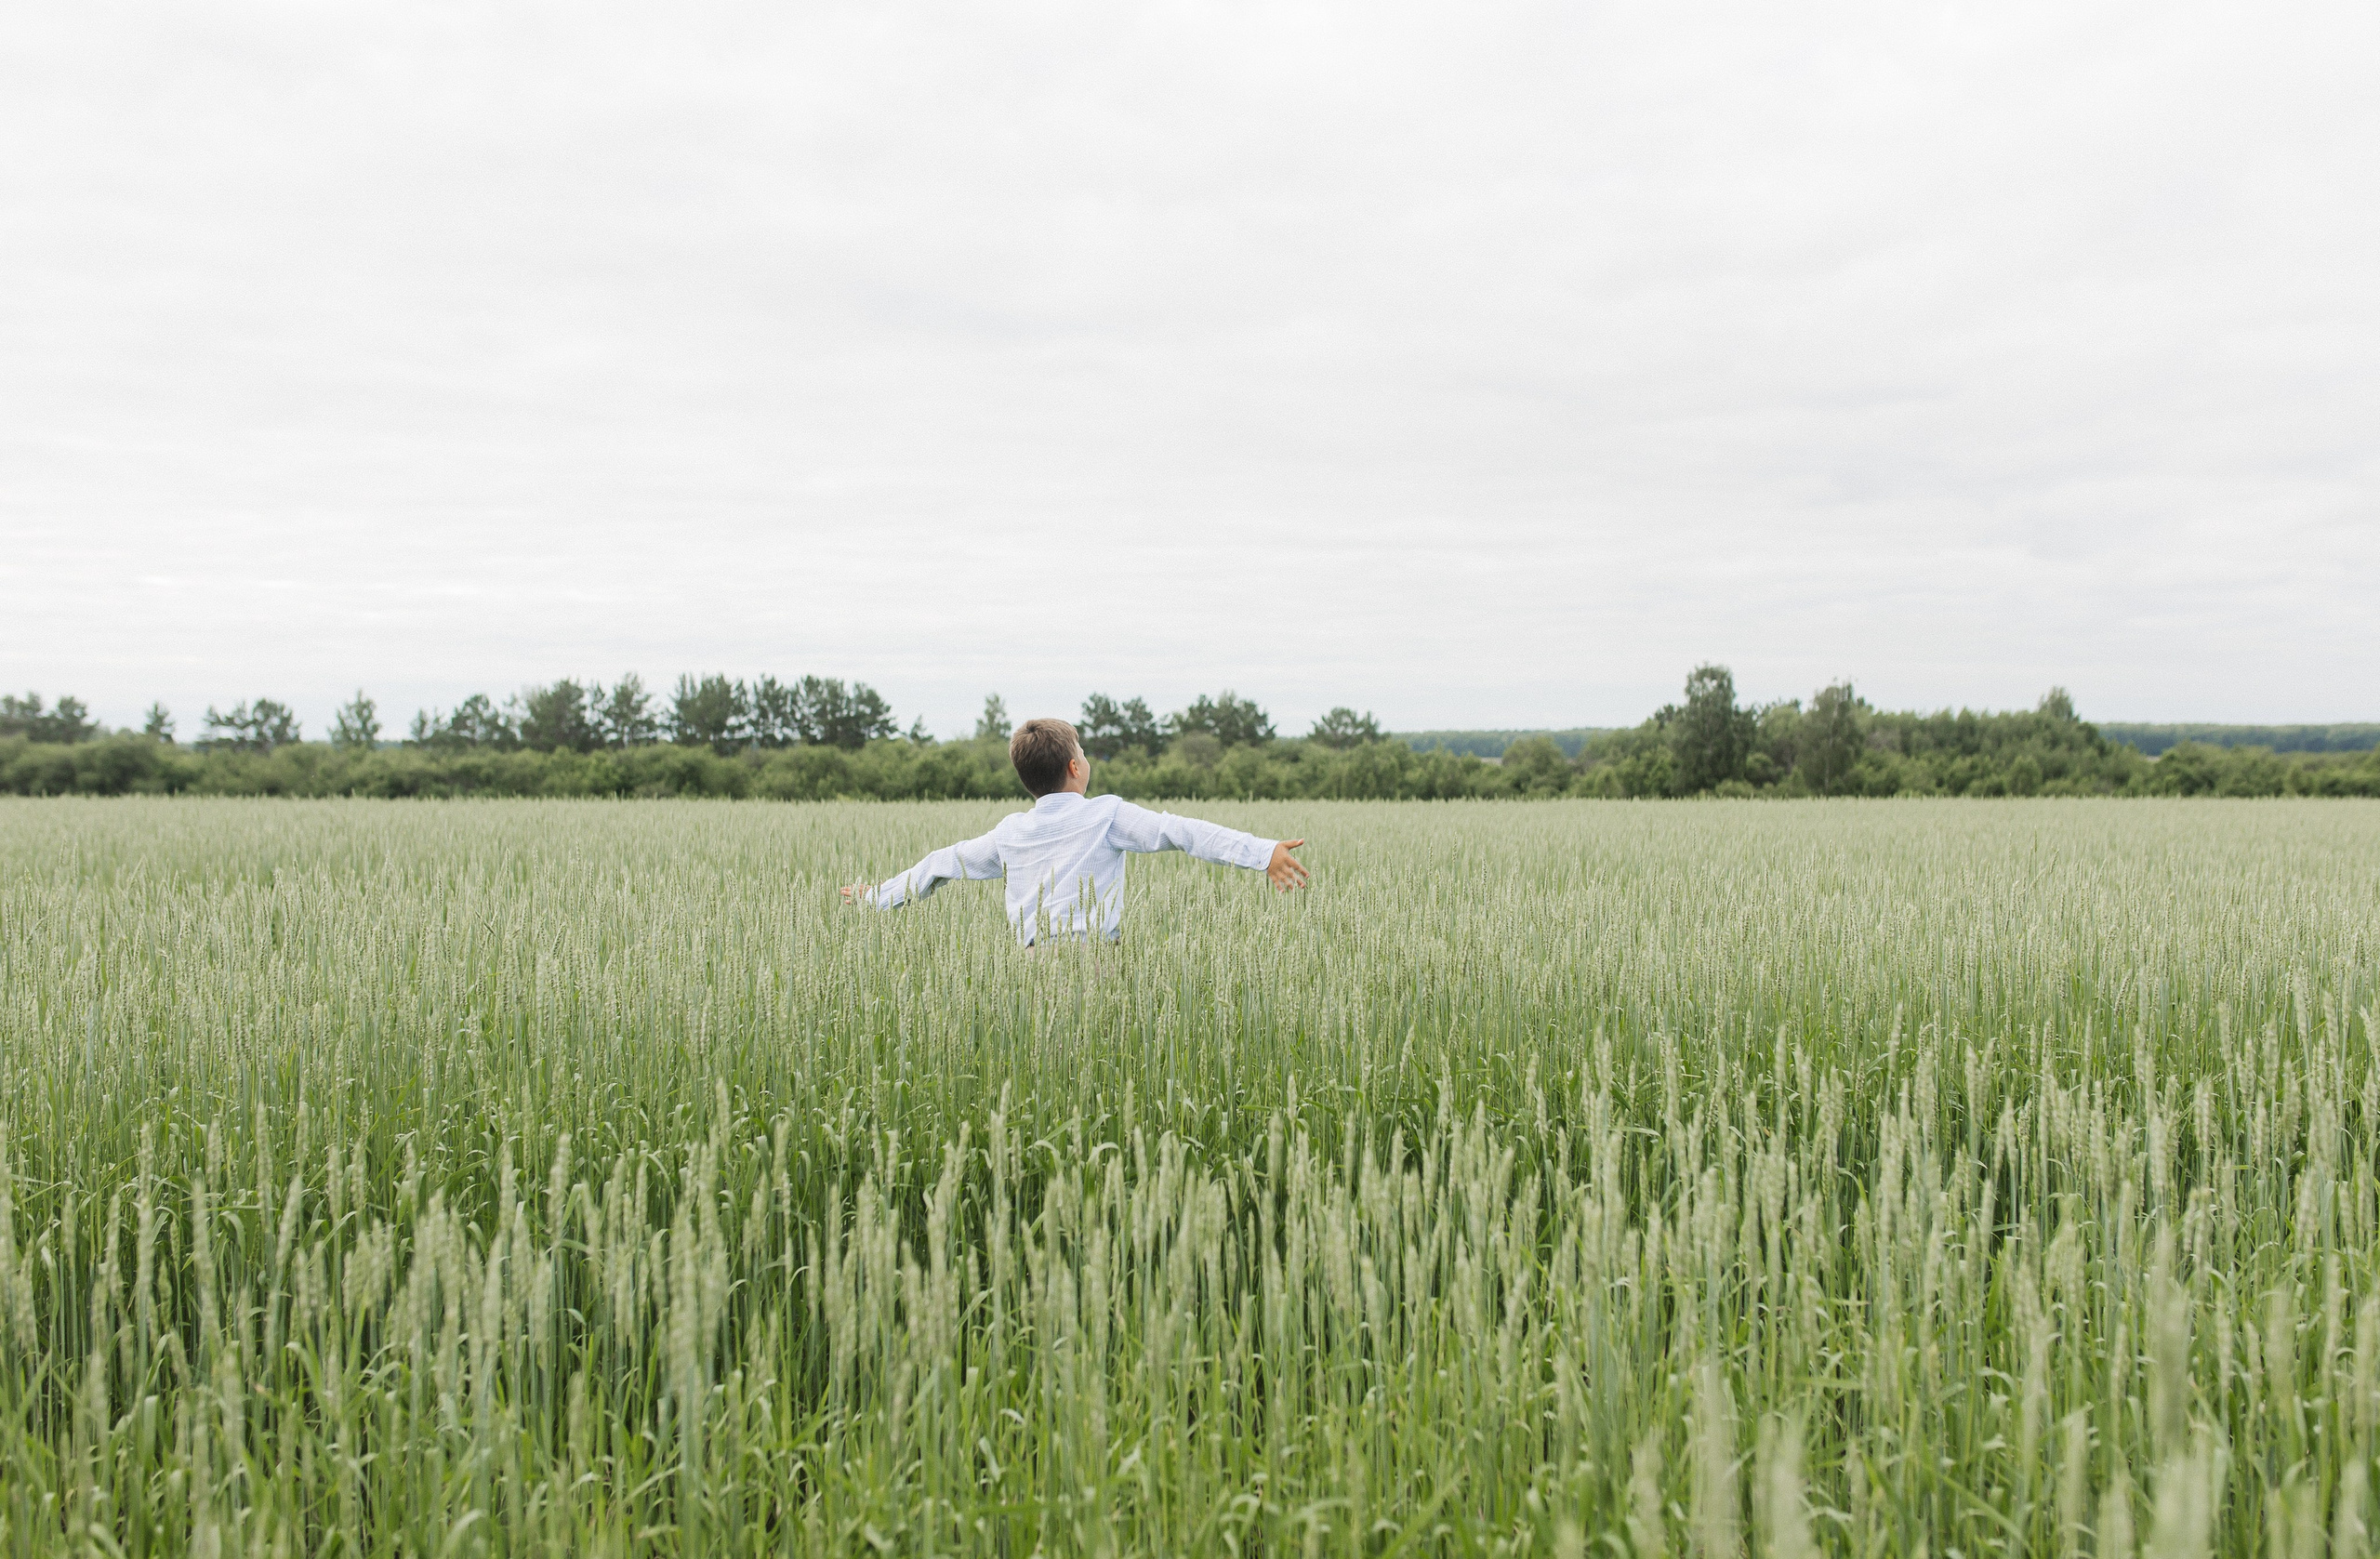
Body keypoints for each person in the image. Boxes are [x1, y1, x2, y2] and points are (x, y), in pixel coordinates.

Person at [842, 717, 1308, 945]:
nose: (1086, 759)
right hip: (1095, 966)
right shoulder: (1106, 814)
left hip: (1030, 971)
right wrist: (1262, 852)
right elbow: (1179, 831)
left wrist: (875, 897)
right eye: (1083, 752)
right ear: (1075, 767)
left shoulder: (1010, 833)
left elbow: (939, 864)